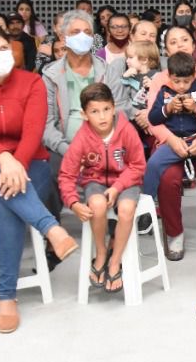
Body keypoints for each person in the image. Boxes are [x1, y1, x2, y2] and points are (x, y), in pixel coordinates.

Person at [0, 23, 79, 333]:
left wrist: (16, 162)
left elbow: (35, 131)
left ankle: (6, 296)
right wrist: (4, 159)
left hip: (27, 166)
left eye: (3, 49)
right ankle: (51, 228)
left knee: (4, 201)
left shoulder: (32, 82)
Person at [58, 82, 146, 295]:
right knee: (96, 204)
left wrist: (117, 187)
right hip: (95, 181)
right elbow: (66, 175)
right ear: (84, 114)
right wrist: (73, 202)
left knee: (125, 209)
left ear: (114, 107)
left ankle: (115, 262)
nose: (102, 117)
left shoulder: (127, 130)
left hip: (126, 180)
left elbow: (138, 166)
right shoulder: (81, 138)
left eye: (106, 109)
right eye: (95, 112)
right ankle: (101, 253)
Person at [142, 27, 196, 259]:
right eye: (173, 42)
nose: (180, 45)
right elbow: (152, 118)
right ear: (166, 49)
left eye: (184, 40)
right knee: (167, 179)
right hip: (171, 141)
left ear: (193, 44)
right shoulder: (160, 79)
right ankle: (172, 232)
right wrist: (171, 139)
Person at [146, 53, 196, 260]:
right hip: (172, 143)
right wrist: (167, 108)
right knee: (154, 165)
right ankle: (144, 203)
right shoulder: (164, 92)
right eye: (177, 81)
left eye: (186, 81)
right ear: (169, 77)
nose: (181, 86)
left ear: (194, 76)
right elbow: (153, 119)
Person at [41, 9, 107, 173]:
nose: (82, 36)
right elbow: (46, 125)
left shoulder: (107, 71)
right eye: (76, 32)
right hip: (62, 147)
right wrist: (68, 150)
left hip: (104, 145)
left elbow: (120, 113)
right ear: (64, 38)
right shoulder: (50, 75)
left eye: (87, 32)